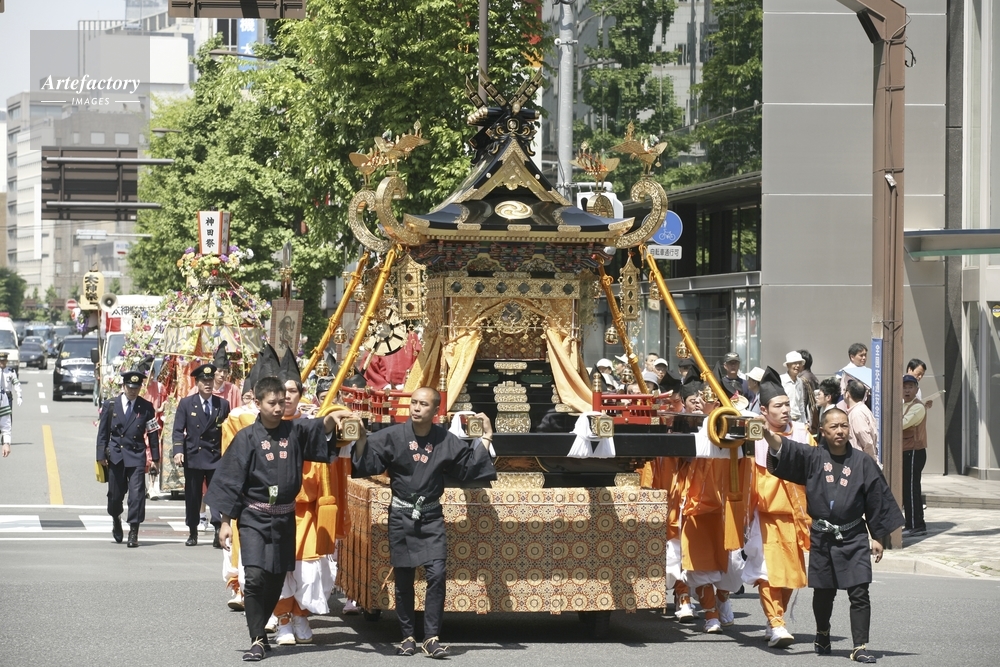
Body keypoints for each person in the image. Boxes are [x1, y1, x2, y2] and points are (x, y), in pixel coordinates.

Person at [206, 375, 350, 662]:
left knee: (275, 577)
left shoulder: (293, 430)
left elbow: (317, 428)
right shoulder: (246, 438)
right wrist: (225, 522)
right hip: (253, 516)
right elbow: (230, 480)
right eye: (272, 403)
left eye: (282, 402)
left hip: (284, 518)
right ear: (258, 403)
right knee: (255, 576)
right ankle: (257, 638)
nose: (278, 408)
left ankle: (264, 625)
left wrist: (333, 417)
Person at [350, 387, 497, 658]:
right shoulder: (394, 435)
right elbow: (367, 462)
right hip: (401, 516)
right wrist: (359, 437)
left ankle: (431, 638)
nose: (417, 408)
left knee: (437, 574)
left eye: (423, 404)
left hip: (431, 516)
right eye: (414, 403)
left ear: (436, 410)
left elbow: (468, 467)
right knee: (404, 577)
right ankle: (407, 636)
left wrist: (486, 436)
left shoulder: (445, 439)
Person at [760, 408, 904, 664]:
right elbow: (786, 448)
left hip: (854, 535)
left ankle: (860, 646)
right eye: (834, 427)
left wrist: (877, 537)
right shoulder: (813, 456)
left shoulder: (862, 462)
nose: (840, 431)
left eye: (844, 426)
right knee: (824, 592)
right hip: (823, 536)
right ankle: (823, 633)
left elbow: (876, 499)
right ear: (823, 431)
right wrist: (767, 433)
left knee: (860, 591)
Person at [270, 351, 338, 647]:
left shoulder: (311, 426)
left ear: (300, 393)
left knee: (308, 573)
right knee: (278, 570)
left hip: (305, 511)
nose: (286, 397)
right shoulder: (262, 426)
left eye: (292, 391)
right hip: (273, 511)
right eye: (281, 391)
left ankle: (301, 615)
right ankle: (283, 620)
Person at [742, 367, 812, 648]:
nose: (785, 410)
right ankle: (777, 623)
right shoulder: (753, 436)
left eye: (786, 404)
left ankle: (775, 620)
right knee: (768, 572)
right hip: (765, 514)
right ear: (763, 410)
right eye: (778, 406)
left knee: (790, 574)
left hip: (796, 514)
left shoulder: (803, 434)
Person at [96, 368, 160, 547]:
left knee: (137, 496)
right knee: (115, 496)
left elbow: (153, 434)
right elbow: (103, 433)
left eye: (136, 388)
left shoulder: (146, 407)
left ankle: (133, 531)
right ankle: (116, 518)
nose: (133, 391)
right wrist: (100, 455)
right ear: (123, 386)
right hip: (116, 455)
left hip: (136, 455)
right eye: (130, 387)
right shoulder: (110, 405)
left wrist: (155, 458)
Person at [173, 363, 231, 547]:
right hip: (194, 456)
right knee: (193, 496)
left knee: (216, 494)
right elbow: (177, 430)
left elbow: (227, 431)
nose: (208, 384)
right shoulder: (186, 403)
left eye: (210, 380)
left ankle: (217, 528)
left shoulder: (222, 404)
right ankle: (193, 530)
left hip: (215, 456)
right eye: (204, 381)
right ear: (196, 383)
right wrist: (178, 451)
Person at [901, 374, 927, 537]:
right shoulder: (903, 405)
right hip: (906, 451)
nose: (907, 390)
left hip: (914, 452)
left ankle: (916, 525)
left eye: (910, 387)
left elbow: (902, 424)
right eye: (904, 387)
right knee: (908, 489)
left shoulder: (918, 407)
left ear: (917, 389)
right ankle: (912, 523)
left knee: (911, 489)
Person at [844, 379, 879, 462]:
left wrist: (872, 460)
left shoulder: (857, 413)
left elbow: (866, 440)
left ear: (847, 394)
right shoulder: (862, 409)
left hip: (860, 461)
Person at [0, 352, 21, 451]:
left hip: (7, 396)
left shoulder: (11, 371)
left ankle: (5, 438)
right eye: (0, 361)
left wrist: (19, 395)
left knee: (7, 416)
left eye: (3, 360)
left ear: (7, 361)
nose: (2, 362)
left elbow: (16, 383)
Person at [781, 351, 808, 425]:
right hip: (786, 420)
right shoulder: (781, 380)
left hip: (798, 421)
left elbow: (801, 404)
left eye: (799, 363)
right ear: (788, 365)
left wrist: (804, 422)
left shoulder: (800, 381)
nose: (797, 366)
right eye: (795, 363)